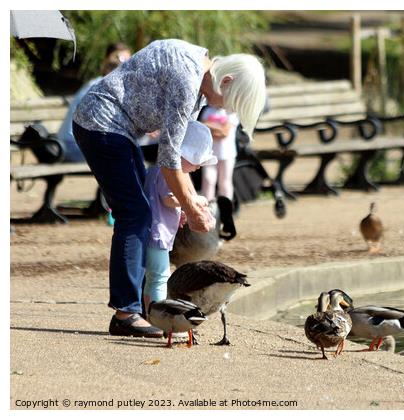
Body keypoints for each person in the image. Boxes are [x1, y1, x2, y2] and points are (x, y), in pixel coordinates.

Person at [72, 39, 267, 337]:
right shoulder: (188, 79)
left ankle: (137, 309)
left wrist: (189, 201)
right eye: (228, 101)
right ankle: (126, 313)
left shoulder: (200, 78)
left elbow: (177, 152)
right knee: (134, 214)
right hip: (101, 123)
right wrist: (190, 206)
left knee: (141, 213)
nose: (223, 109)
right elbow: (170, 157)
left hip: (121, 129)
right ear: (226, 80)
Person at [143, 121, 217, 311]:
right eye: (197, 160)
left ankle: (148, 313)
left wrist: (182, 212)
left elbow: (163, 202)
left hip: (153, 230)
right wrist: (193, 201)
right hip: (157, 234)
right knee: (160, 276)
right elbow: (168, 199)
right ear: (183, 153)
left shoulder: (160, 168)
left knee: (152, 275)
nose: (199, 166)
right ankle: (157, 316)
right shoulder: (168, 171)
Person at [57, 43, 132, 162]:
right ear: (107, 63)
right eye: (121, 63)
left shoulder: (103, 84)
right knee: (122, 156)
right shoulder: (101, 87)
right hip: (72, 146)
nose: (126, 68)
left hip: (76, 143)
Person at [198, 106, 239, 201]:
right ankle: (207, 208)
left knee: (224, 182)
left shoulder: (231, 112)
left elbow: (224, 132)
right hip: (209, 153)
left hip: (227, 154)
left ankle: (226, 209)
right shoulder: (208, 110)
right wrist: (218, 127)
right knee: (208, 180)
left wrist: (209, 126)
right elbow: (202, 129)